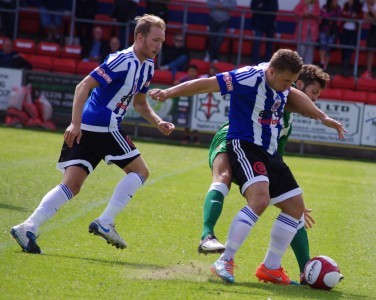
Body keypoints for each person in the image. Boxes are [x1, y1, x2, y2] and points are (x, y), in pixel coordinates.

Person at [149, 49, 346, 284]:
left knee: (295, 207)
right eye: (285, 81)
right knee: (259, 199)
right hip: (245, 145)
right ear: (272, 71)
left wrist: (323, 118)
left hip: (270, 153)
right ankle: (224, 259)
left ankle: (271, 268)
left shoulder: (284, 86)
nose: (287, 87)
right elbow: (206, 84)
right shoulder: (248, 77)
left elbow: (296, 95)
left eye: (291, 83)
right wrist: (169, 92)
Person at [10, 14, 175, 254]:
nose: (159, 46)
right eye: (156, 40)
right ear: (139, 37)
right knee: (141, 172)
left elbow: (140, 103)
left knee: (72, 184)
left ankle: (27, 227)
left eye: (162, 41)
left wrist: (158, 122)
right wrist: (74, 124)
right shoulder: (122, 60)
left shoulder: (148, 66)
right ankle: (106, 222)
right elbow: (83, 86)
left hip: (91, 127)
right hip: (102, 125)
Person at [196, 65, 332, 285]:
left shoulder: (287, 119)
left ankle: (289, 270)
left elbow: (274, 157)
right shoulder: (275, 93)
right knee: (223, 179)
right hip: (232, 138)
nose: (315, 99)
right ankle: (208, 236)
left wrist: (286, 190)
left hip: (258, 153)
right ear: (297, 85)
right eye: (314, 93)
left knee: (294, 208)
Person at [173, 64, 200, 144]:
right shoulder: (184, 79)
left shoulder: (199, 81)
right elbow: (175, 83)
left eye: (193, 71)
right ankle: (186, 138)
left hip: (196, 105)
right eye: (190, 71)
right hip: (186, 103)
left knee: (195, 122)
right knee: (186, 121)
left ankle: (196, 138)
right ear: (187, 72)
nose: (192, 73)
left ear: (196, 73)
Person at [250, 0, 279, 65]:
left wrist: (261, 6)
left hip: (270, 24)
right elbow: (253, 7)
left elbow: (275, 9)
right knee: (257, 43)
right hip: (258, 23)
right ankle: (255, 62)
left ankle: (268, 63)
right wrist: (265, 8)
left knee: (269, 44)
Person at [293, 0, 321, 64]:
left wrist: (313, 14)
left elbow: (318, 13)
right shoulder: (303, 2)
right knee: (301, 49)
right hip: (303, 30)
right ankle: (299, 66)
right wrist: (303, 13)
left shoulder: (316, 2)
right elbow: (295, 11)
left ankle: (308, 68)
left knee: (310, 49)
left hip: (312, 30)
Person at [340, 0, 363, 77]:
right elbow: (343, 15)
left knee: (349, 51)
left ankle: (346, 69)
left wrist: (349, 15)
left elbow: (360, 16)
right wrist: (351, 16)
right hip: (344, 31)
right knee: (344, 50)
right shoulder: (346, 5)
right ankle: (343, 68)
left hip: (353, 32)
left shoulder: (358, 6)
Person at [318, 0, 342, 71]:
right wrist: (331, 14)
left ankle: (325, 66)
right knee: (323, 45)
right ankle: (322, 62)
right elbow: (323, 15)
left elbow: (338, 16)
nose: (336, 1)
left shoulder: (339, 8)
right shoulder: (325, 7)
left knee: (329, 48)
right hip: (324, 29)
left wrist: (330, 14)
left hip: (333, 31)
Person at [361, 0, 376, 79]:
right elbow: (365, 17)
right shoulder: (366, 3)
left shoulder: (369, 5)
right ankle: (368, 72)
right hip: (372, 29)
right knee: (370, 50)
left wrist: (370, 9)